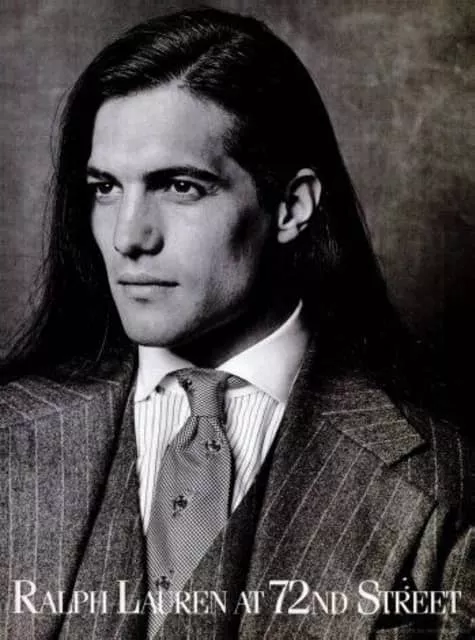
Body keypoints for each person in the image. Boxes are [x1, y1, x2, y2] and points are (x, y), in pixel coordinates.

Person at [0, 8, 472, 640]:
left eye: (180, 187)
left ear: (291, 207)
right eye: (106, 188)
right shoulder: (10, 436)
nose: (127, 237)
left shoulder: (442, 479)